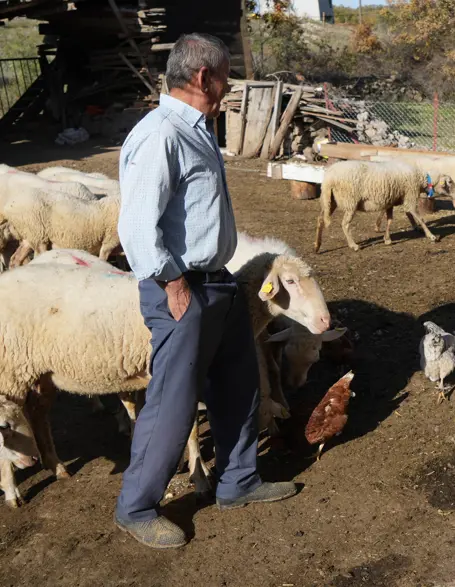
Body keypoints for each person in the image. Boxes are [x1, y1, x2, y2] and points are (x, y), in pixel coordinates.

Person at [114, 32, 298, 549]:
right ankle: (136, 506)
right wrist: (171, 283)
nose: (229, 86)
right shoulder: (161, 135)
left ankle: (238, 481)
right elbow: (136, 226)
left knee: (240, 386)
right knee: (173, 402)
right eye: (226, 76)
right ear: (203, 78)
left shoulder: (196, 129)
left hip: (216, 281)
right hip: (181, 287)